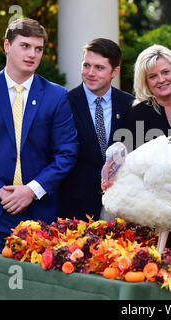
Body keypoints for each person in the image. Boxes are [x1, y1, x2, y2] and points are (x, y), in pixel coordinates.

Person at [0, 18, 79, 299]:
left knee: (34, 291)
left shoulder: (56, 95)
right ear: (7, 46)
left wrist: (31, 191)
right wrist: (2, 192)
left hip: (40, 213)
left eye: (38, 48)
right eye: (25, 46)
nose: (32, 54)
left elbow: (67, 152)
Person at [122, 44, 171, 246]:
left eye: (165, 72)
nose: (161, 80)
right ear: (145, 82)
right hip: (154, 215)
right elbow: (129, 169)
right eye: (153, 76)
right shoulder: (137, 114)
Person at [59, 38, 134, 222]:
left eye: (99, 68)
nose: (90, 73)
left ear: (115, 71)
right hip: (76, 209)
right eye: (86, 65)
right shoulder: (64, 103)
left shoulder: (130, 104)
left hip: (122, 208)